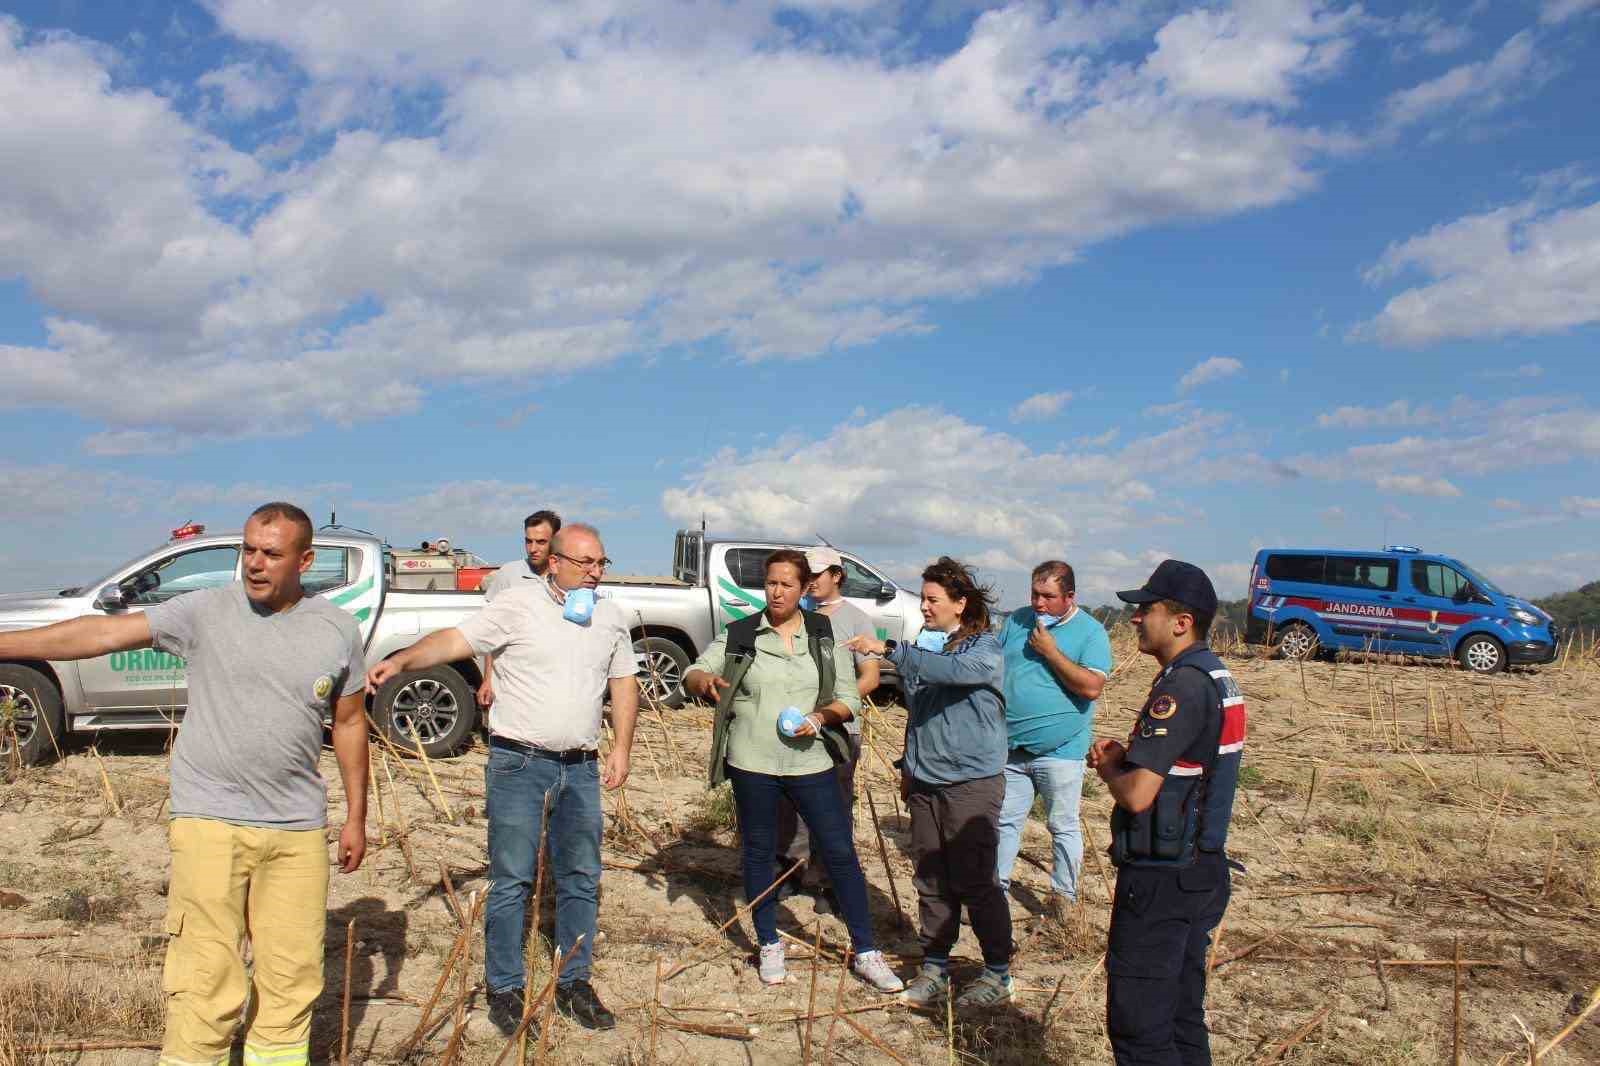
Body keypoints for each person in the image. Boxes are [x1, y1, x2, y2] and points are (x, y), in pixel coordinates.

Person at [0, 502, 369, 1066]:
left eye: (271, 553)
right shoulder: (203, 610)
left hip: (296, 830)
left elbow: (348, 723)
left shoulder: (336, 628)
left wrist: (355, 818)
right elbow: (100, 632)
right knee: (205, 980)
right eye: (248, 549)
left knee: (291, 978)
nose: (254, 564)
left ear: (305, 559)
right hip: (210, 821)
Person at [368, 522, 638, 1036]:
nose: (597, 573)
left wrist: (620, 747)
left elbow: (623, 683)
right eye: (587, 563)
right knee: (512, 879)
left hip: (579, 767)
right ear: (554, 562)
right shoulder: (518, 605)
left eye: (603, 563)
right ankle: (506, 988)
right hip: (519, 763)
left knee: (581, 877)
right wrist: (402, 659)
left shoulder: (610, 617)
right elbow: (457, 640)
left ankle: (574, 983)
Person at [683, 549, 904, 993]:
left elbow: (848, 694)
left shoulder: (823, 634)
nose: (777, 591)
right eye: (770, 583)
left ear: (805, 589)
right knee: (759, 851)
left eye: (787, 584)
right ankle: (768, 943)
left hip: (812, 760)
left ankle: (866, 951)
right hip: (752, 761)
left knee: (839, 851)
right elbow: (695, 669)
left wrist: (821, 718)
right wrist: (704, 682)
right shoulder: (742, 633)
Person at [1087, 560, 1246, 1065]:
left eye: (1145, 608)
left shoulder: (1181, 687)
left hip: (1163, 878)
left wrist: (1111, 766)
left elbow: (1138, 795)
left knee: (1140, 1026)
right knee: (1180, 1016)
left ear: (1181, 621)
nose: (1134, 617)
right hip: (1201, 867)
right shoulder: (1215, 675)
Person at [846, 557, 1012, 1010]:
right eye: (922, 598)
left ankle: (998, 973)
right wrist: (909, 768)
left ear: (961, 604)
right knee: (932, 880)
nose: (923, 606)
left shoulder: (984, 650)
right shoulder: (932, 646)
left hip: (970, 783)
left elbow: (953, 675)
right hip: (926, 780)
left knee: (976, 881)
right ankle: (935, 965)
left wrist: (889, 649)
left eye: (932, 599)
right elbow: (920, 716)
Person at [995, 560, 1113, 915]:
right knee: (1004, 821)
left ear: (1070, 597)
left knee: (1061, 825)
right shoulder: (1016, 621)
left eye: (1048, 596)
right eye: (1035, 594)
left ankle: (1064, 898)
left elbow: (1091, 687)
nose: (1039, 603)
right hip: (1011, 747)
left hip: (1061, 751)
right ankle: (994, 893)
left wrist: (1050, 652)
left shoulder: (1090, 633)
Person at [772, 545, 881, 902]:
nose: (812, 582)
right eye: (808, 575)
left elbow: (870, 677)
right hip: (796, 730)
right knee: (790, 804)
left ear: (836, 576)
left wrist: (836, 709)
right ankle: (790, 872)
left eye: (818, 575)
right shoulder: (793, 614)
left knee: (832, 807)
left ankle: (828, 881)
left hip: (837, 731)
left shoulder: (855, 618)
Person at [477, 509, 562, 709]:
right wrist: (488, 679)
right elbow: (492, 631)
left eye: (540, 542)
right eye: (528, 541)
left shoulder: (566, 577)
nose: (533, 548)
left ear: (556, 540)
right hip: (511, 687)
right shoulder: (509, 575)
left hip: (552, 685)